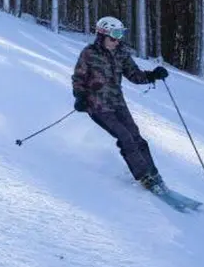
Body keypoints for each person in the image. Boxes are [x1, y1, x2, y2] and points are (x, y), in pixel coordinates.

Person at [72, 15, 170, 193]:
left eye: (120, 35)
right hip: (97, 106)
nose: (116, 41)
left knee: (136, 136)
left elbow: (134, 75)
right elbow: (78, 78)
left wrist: (153, 75)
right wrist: (80, 96)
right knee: (125, 137)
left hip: (117, 103)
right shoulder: (89, 53)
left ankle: (154, 174)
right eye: (113, 36)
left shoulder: (122, 52)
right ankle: (144, 176)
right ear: (102, 35)